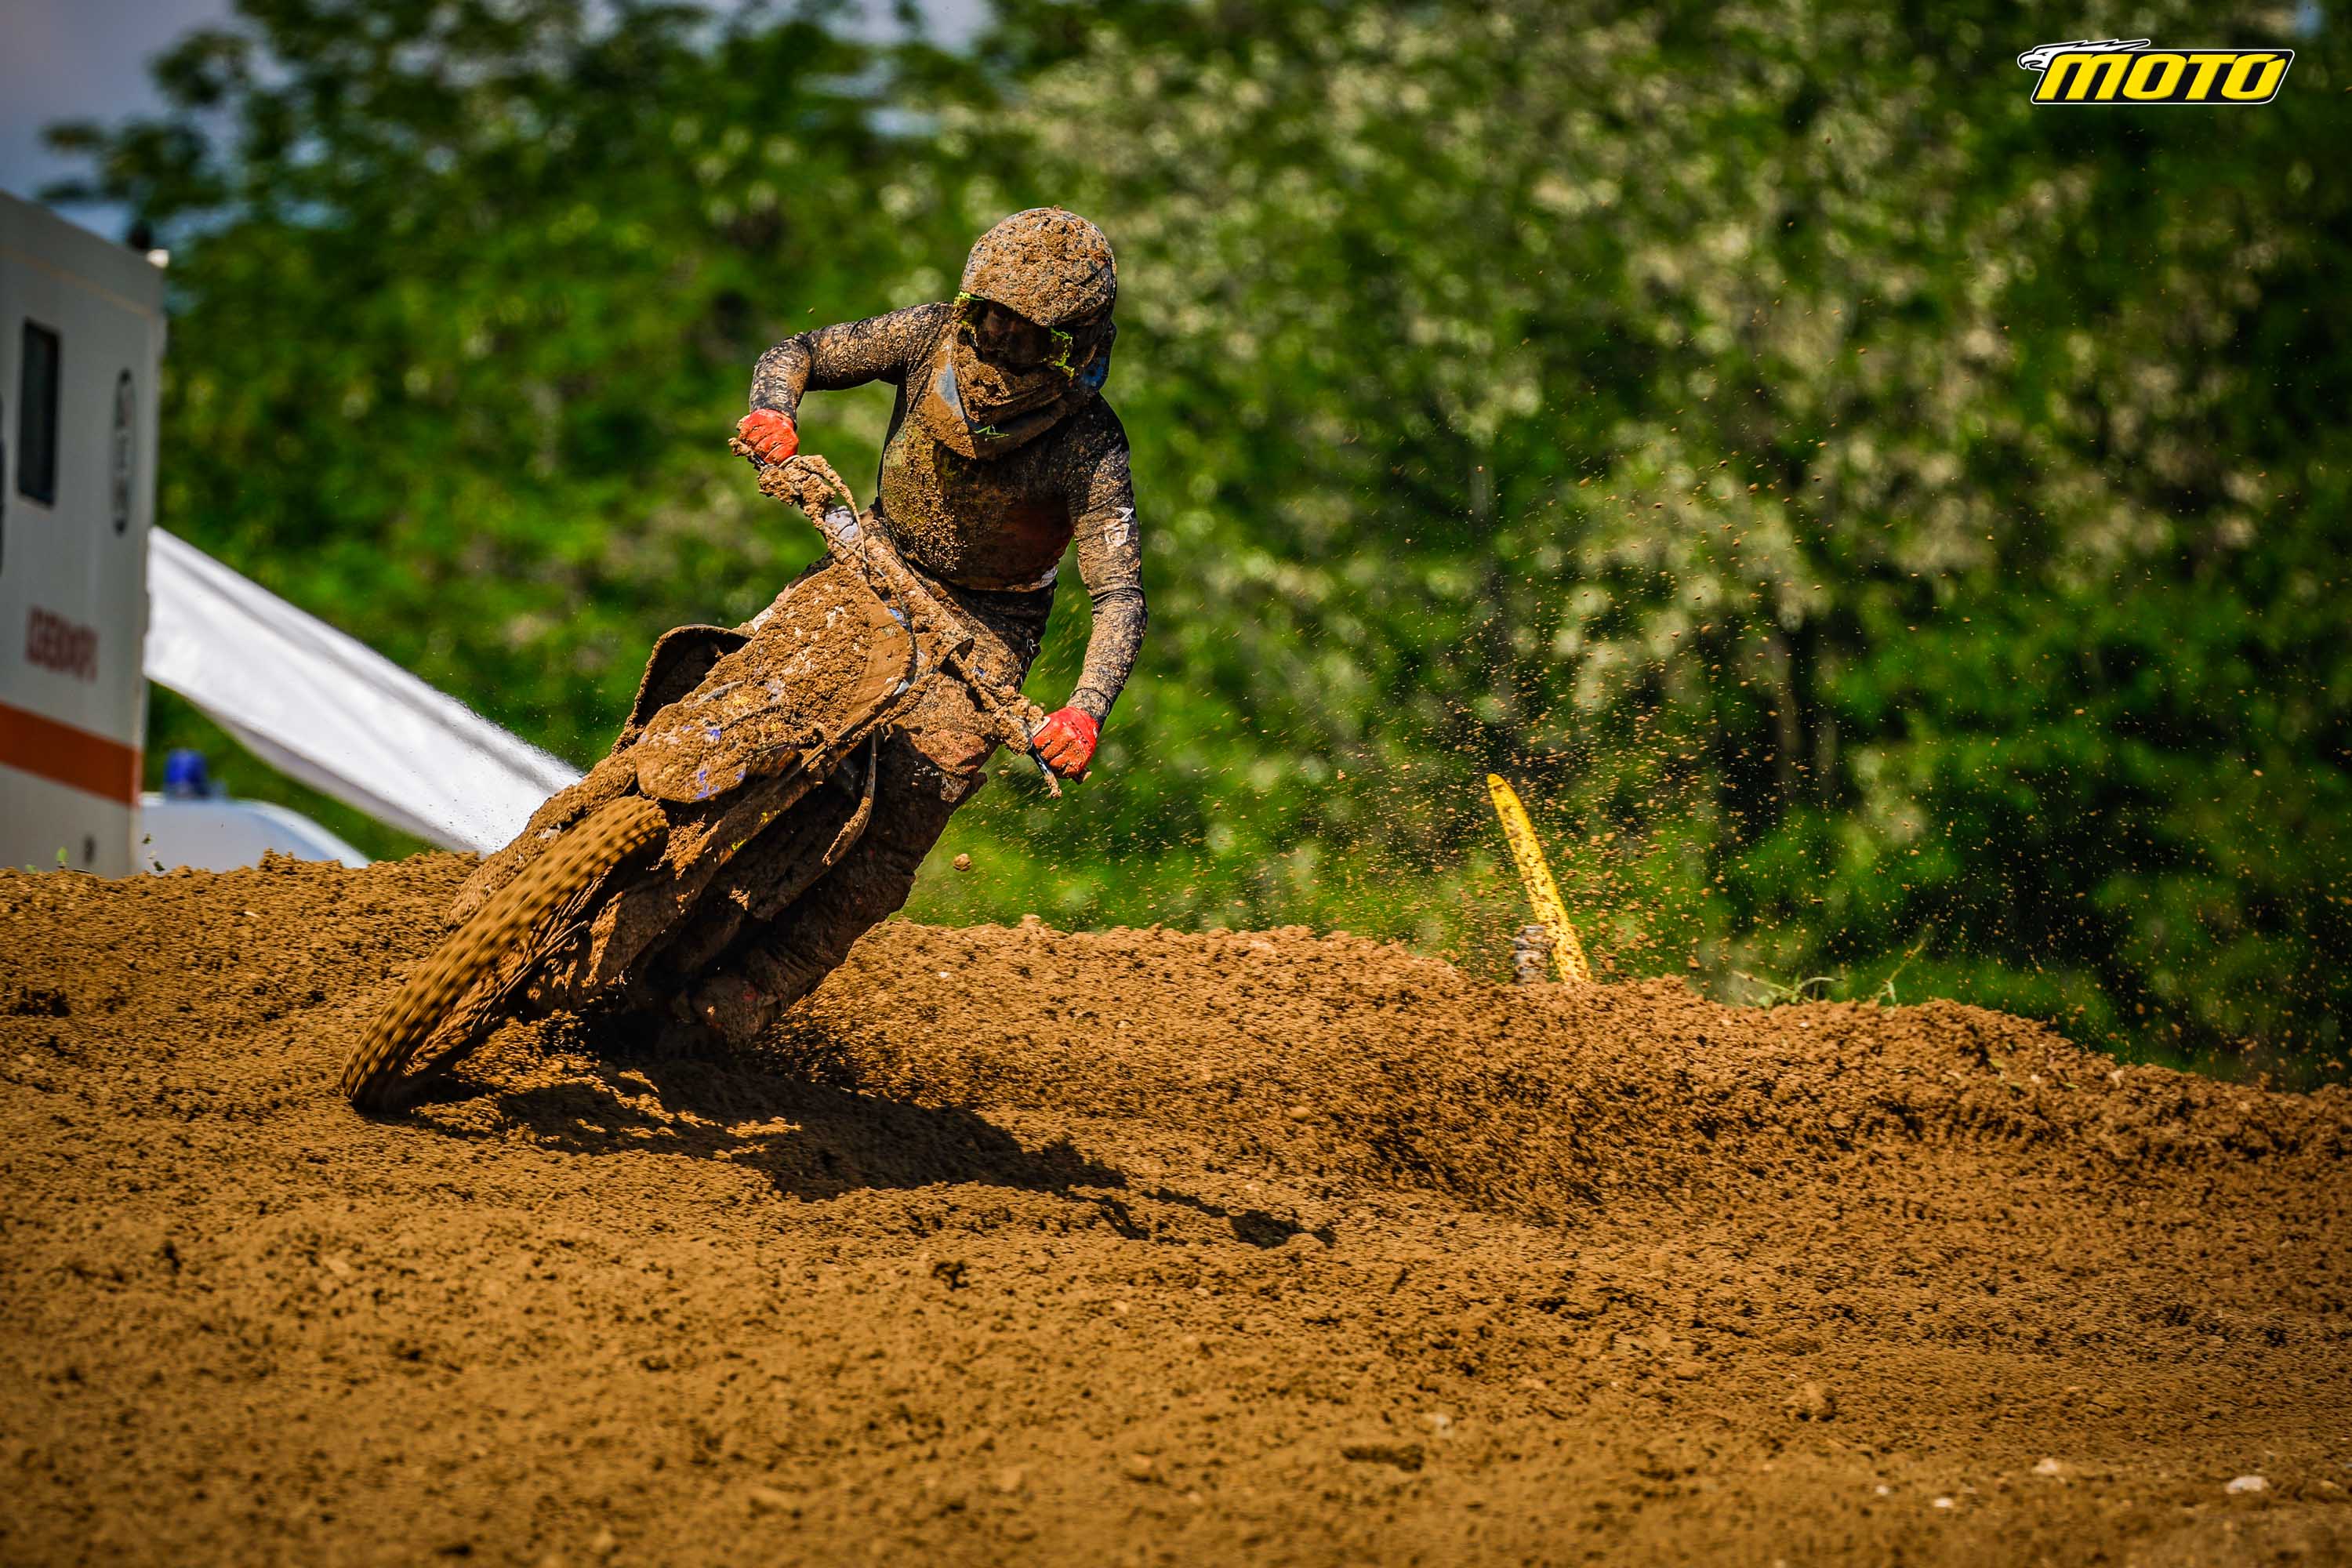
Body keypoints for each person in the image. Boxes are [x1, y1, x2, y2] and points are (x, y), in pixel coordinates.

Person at [686, 207, 1147, 1044]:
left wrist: (1085, 710)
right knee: (735, 677)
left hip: (991, 627)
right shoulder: (925, 335)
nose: (1000, 344)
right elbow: (798, 351)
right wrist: (774, 409)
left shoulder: (1091, 443)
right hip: (872, 559)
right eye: (991, 318)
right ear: (969, 306)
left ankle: (760, 985)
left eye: (1028, 334)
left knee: (910, 810)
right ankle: (604, 808)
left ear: (1075, 348)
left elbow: (1119, 594)